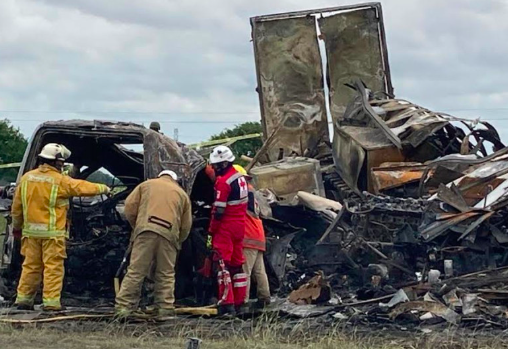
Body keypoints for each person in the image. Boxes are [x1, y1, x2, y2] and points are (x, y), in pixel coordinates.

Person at [11, 143, 111, 311]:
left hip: (31, 234)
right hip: (53, 235)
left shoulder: (26, 178)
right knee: (53, 268)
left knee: (30, 266)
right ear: (56, 162)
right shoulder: (60, 180)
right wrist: (105, 188)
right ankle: (51, 303)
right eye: (62, 162)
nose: (62, 165)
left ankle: (24, 300)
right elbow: (81, 187)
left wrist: (16, 228)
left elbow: (16, 207)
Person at [115, 170, 192, 318]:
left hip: (145, 232)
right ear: (174, 180)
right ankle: (164, 309)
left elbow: (129, 208)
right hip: (169, 235)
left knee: (136, 271)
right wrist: (177, 240)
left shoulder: (146, 185)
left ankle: (124, 308)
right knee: (166, 273)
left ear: (160, 176)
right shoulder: (182, 194)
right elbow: (186, 225)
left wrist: (137, 227)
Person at [208, 146, 248, 315]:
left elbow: (218, 210)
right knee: (237, 264)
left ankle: (226, 303)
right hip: (240, 225)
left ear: (224, 163)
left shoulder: (223, 182)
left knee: (222, 264)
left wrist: (211, 230)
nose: (214, 168)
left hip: (226, 227)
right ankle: (240, 303)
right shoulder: (241, 178)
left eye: (216, 165)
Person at [233, 165, 270, 307]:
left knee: (245, 271)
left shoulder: (241, 193)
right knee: (259, 270)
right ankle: (264, 296)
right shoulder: (252, 192)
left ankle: (243, 301)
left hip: (249, 237)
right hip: (258, 236)